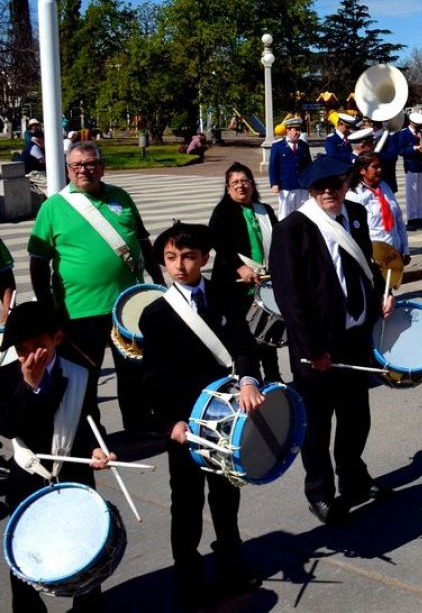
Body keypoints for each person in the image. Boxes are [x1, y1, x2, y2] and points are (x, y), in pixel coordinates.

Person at [139, 223, 264, 607]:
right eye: (171, 259)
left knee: (226, 496)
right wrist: (171, 423)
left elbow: (245, 346)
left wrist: (248, 381)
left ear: (205, 259)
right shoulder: (155, 314)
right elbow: (154, 378)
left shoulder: (226, 299)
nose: (180, 266)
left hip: (225, 418)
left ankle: (230, 564)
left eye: (189, 257)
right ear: (162, 264)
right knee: (187, 502)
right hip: (185, 424)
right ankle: (188, 575)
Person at [269, 154, 394, 525]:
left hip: (354, 338)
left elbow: (363, 267)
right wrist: (312, 351)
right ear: (310, 190)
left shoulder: (354, 214)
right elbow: (289, 296)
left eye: (336, 185)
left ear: (345, 183)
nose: (329, 192)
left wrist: (377, 302)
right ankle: (320, 492)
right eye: (321, 187)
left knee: (357, 418)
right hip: (318, 348)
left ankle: (354, 479)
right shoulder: (293, 228)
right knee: (318, 425)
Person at [28, 141, 162, 431]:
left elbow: (141, 242)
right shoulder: (54, 207)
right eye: (76, 165)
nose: (83, 170)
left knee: (134, 370)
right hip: (78, 310)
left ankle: (139, 425)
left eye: (90, 164)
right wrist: (46, 308)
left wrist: (159, 281)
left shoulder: (121, 197)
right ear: (68, 170)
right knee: (84, 377)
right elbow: (38, 262)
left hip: (127, 304)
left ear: (102, 167)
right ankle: (92, 435)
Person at [0, 301, 115, 613]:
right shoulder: (7, 376)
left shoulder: (80, 373)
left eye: (39, 345)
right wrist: (29, 385)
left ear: (58, 338)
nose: (31, 355)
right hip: (28, 474)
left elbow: (89, 418)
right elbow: (8, 425)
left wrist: (97, 447)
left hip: (74, 471)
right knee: (28, 555)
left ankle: (88, 605)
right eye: (22, 350)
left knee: (84, 546)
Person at [208, 162, 281, 381]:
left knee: (268, 334)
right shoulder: (223, 212)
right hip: (235, 286)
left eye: (245, 181)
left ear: (252, 184)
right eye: (235, 183)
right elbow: (216, 241)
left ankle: (274, 378)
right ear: (228, 187)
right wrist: (239, 266)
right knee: (245, 338)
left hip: (264, 282)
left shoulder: (263, 209)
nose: (241, 186)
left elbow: (277, 238)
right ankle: (251, 380)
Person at [348, 152, 410, 292]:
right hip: (374, 258)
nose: (380, 170)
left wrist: (405, 249)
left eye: (380, 166)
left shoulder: (385, 188)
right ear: (362, 170)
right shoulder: (354, 196)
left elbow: (398, 220)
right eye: (374, 167)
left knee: (389, 295)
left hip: (393, 253)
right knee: (379, 297)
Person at [268, 117, 314, 219]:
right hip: (286, 187)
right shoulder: (278, 146)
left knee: (303, 213)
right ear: (288, 130)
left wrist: (311, 183)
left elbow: (308, 166)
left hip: (302, 186)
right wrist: (274, 183)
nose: (298, 132)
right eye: (295, 130)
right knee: (285, 215)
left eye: (299, 130)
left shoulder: (304, 146)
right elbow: (273, 166)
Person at [397, 112, 422, 229]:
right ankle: (412, 218)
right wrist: (415, 148)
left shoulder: (419, 133)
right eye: (418, 124)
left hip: (421, 165)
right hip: (411, 166)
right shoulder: (404, 133)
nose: (420, 126)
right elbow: (401, 150)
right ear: (411, 123)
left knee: (421, 193)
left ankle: (420, 216)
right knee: (412, 193)